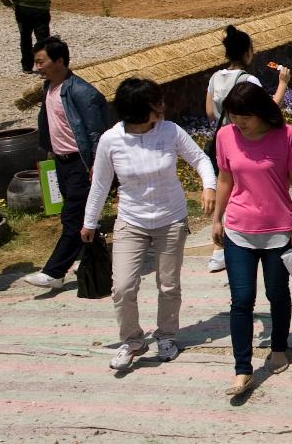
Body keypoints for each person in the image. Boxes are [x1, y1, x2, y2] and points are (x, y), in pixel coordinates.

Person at [81, 78, 217, 370]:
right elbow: (101, 184)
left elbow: (201, 160)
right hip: (131, 221)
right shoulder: (110, 140)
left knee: (168, 284)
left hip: (171, 220)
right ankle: (132, 341)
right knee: (123, 286)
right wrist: (89, 221)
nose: (163, 106)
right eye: (157, 103)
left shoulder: (169, 131)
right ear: (141, 110)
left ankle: (167, 335)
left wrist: (209, 187)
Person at [211, 82, 292, 397]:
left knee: (277, 293)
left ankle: (279, 346)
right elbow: (225, 178)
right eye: (234, 116)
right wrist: (217, 218)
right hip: (239, 229)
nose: (239, 123)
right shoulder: (225, 136)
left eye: (246, 117)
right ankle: (242, 368)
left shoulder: (286, 135)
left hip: (279, 230)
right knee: (241, 300)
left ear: (262, 112)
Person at [24, 37, 111, 289]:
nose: (37, 67)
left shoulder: (82, 92)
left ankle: (55, 271)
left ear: (59, 60)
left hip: (80, 163)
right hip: (61, 162)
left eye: (41, 62)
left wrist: (96, 164)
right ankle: (96, 263)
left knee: (73, 217)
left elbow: (97, 133)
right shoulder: (49, 88)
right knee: (83, 215)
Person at [205, 26, 291, 273]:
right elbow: (269, 109)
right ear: (248, 53)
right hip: (248, 142)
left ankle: (218, 249)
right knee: (245, 189)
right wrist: (282, 83)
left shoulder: (214, 78)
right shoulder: (248, 80)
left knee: (227, 188)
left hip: (224, 140)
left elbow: (210, 113)